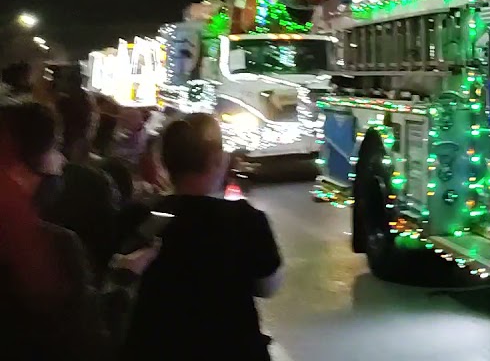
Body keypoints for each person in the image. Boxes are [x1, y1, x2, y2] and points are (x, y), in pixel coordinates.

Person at [0, 101, 158, 361]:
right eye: (54, 147)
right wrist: (124, 277)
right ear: (20, 166)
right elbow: (92, 344)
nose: (61, 162)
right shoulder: (53, 247)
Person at [121, 113, 283, 361]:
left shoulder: (139, 217)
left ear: (164, 161)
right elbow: (269, 286)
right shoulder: (246, 220)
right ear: (217, 159)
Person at [42, 90, 120, 279]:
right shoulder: (96, 182)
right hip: (80, 282)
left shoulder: (34, 172)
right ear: (92, 125)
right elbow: (109, 245)